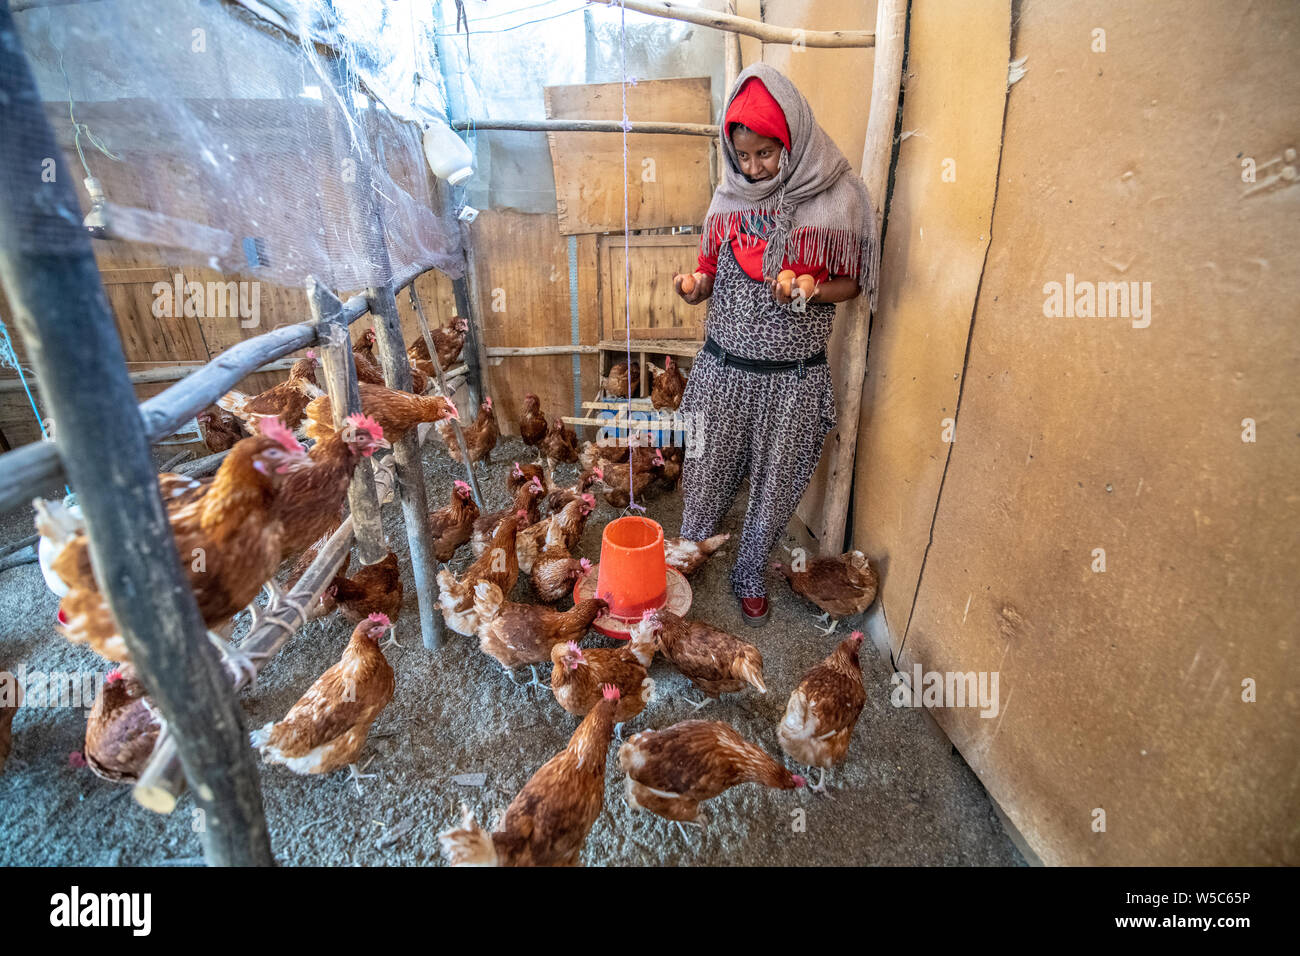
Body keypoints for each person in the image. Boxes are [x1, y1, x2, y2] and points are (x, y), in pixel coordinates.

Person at [673, 63, 880, 627]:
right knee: (706, 469)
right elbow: (709, 268)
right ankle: (688, 555)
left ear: (792, 140)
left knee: (777, 481)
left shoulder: (833, 197)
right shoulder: (729, 196)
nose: (753, 166)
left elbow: (854, 282)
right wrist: (693, 288)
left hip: (793, 379)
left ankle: (749, 573)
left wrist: (813, 288)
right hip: (723, 370)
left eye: (766, 153)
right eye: (744, 155)